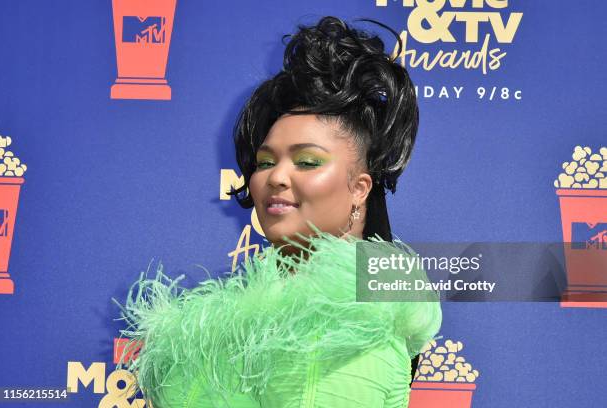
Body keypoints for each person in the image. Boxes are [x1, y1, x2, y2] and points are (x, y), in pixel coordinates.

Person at [113, 16, 442, 408]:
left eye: (306, 161)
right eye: (265, 162)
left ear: (359, 189)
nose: (276, 177)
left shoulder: (354, 335)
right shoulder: (210, 334)